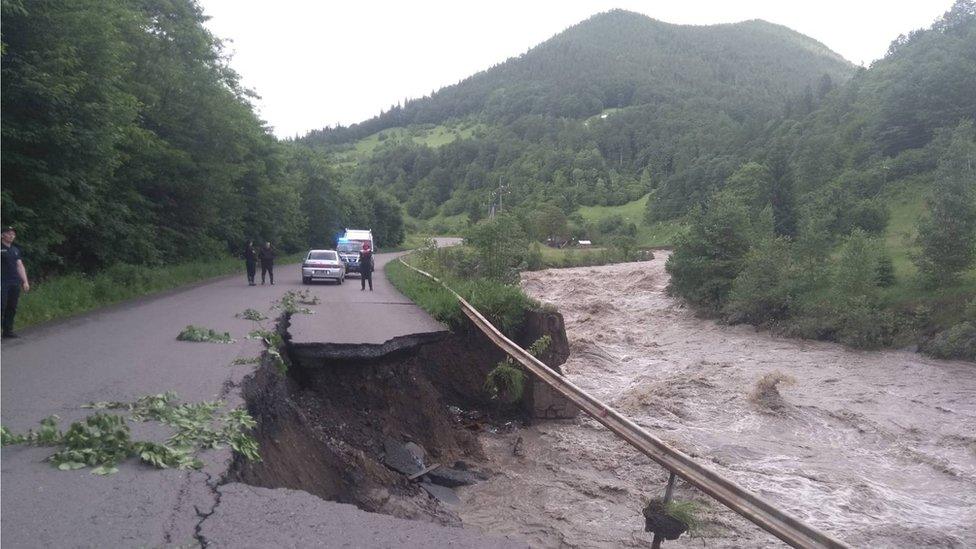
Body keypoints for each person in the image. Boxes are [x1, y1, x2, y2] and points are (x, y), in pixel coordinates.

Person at [1, 226, 30, 339]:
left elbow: (20, 266)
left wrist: (25, 281)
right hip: (2, 282)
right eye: (8, 233)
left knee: (12, 307)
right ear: (2, 235)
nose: (11, 236)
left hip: (14, 282)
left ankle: (7, 331)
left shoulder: (15, 249)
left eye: (13, 234)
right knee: (1, 306)